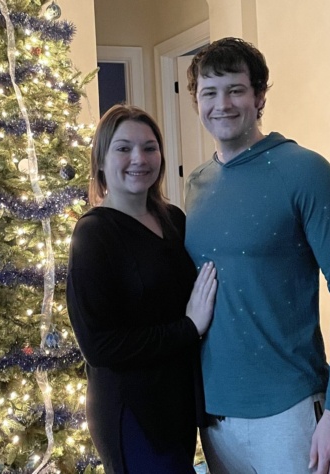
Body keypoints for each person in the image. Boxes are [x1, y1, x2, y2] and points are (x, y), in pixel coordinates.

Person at [183, 37, 330, 474]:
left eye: (235, 90)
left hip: (291, 412)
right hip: (215, 418)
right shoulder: (196, 183)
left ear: (260, 96)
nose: (221, 104)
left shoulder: (307, 171)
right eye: (209, 93)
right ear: (196, 102)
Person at [66, 104, 217, 473]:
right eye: (124, 148)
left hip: (178, 402)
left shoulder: (175, 220)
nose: (140, 158)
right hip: (131, 411)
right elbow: (99, 346)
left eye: (150, 147)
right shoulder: (94, 234)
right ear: (101, 160)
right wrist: (188, 328)